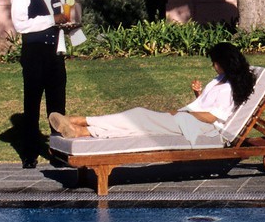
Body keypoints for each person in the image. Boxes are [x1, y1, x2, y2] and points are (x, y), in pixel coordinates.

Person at [49, 42, 254, 146]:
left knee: (139, 116)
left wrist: (184, 114)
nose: (213, 65)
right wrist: (198, 94)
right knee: (138, 125)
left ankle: (79, 121)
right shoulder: (220, 79)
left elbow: (212, 117)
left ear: (224, 62)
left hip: (200, 128)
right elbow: (206, 107)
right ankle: (82, 131)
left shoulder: (229, 88)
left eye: (215, 62)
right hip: (189, 119)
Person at [12, 0, 76, 168]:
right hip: (34, 54)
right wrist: (52, 20)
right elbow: (21, 24)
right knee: (32, 104)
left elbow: (61, 21)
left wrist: (70, 30)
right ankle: (29, 154)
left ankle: (58, 153)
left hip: (54, 54)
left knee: (57, 105)